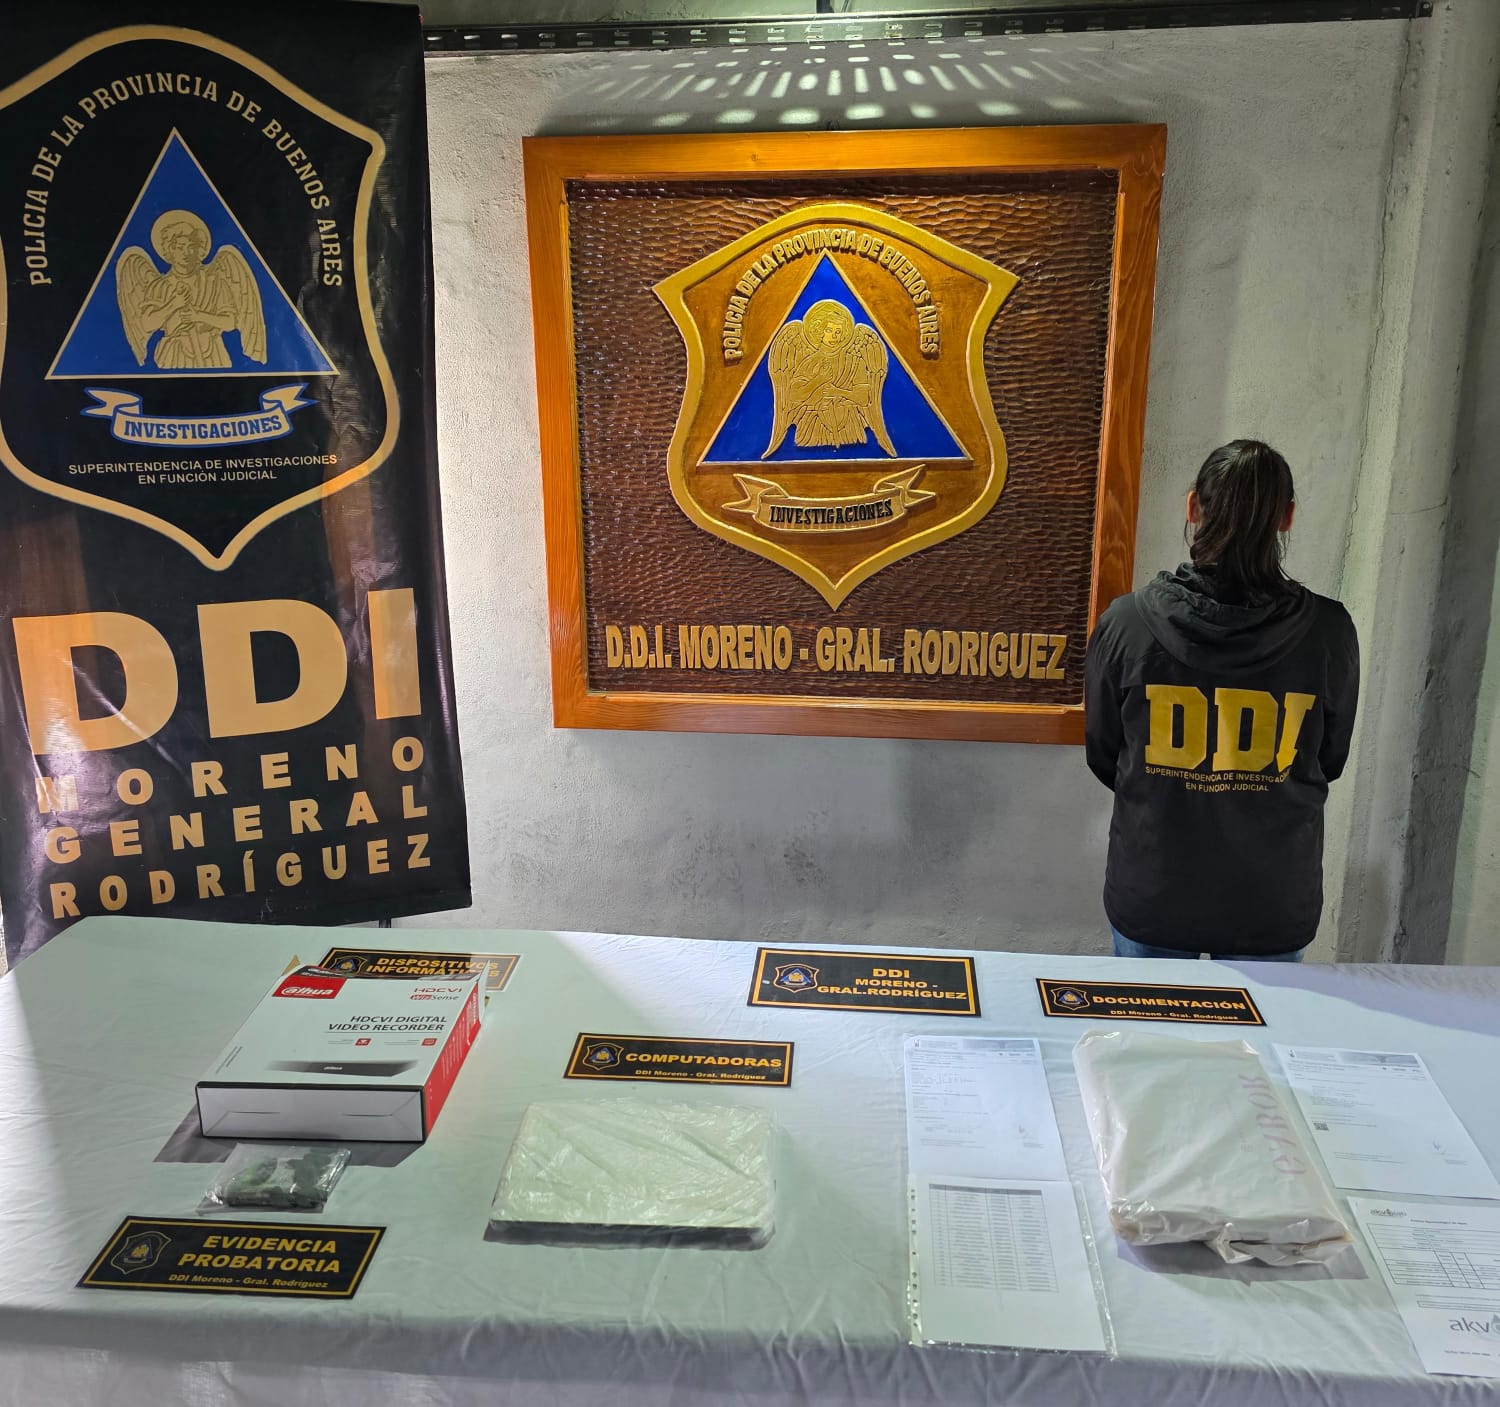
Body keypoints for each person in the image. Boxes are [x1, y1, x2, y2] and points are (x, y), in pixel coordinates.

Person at [1084, 440, 1359, 961]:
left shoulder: (1125, 624)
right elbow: (1330, 758)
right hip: (1272, 900)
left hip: (1155, 890)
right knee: (1266, 1021)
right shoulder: (1329, 632)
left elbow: (1105, 755)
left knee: (1151, 1020)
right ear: (1287, 518)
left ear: (1193, 506)